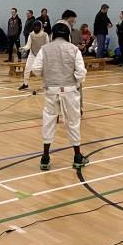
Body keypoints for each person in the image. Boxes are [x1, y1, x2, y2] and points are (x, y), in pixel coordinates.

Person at [31, 22, 88, 171]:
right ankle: (77, 157)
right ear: (67, 35)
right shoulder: (74, 49)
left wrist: (49, 76)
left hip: (51, 90)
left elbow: (36, 69)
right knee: (73, 121)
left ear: (53, 35)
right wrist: (74, 81)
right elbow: (81, 73)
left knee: (49, 121)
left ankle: (45, 157)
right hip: (70, 90)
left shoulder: (45, 49)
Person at [19, 20, 49, 90]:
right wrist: (23, 48)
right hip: (32, 54)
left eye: (37, 26)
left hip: (42, 55)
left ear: (40, 27)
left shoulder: (45, 35)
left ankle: (46, 84)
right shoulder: (31, 35)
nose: (36, 28)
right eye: (35, 26)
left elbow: (47, 46)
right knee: (27, 68)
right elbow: (28, 46)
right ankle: (25, 84)